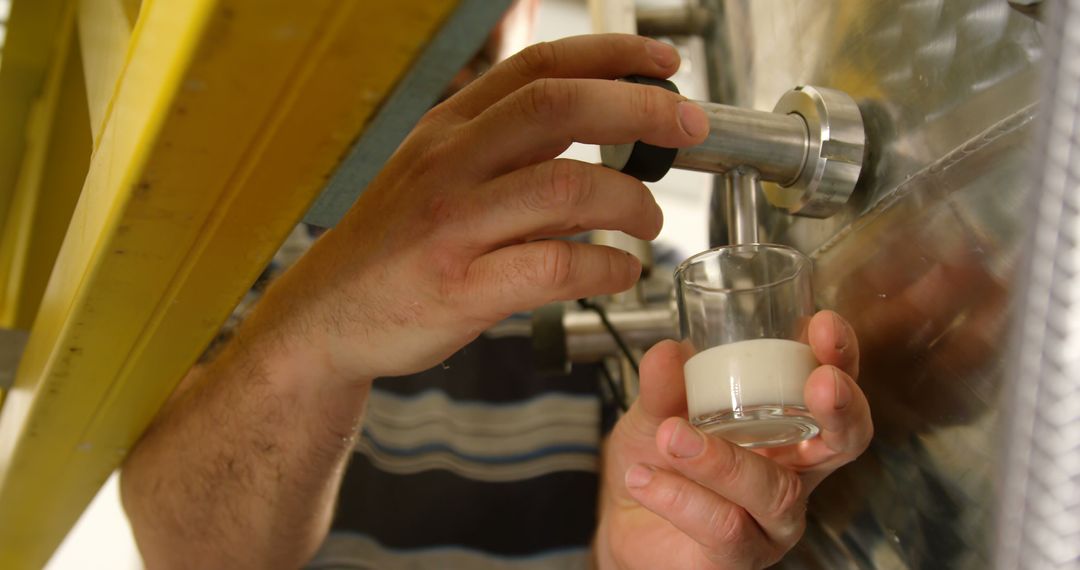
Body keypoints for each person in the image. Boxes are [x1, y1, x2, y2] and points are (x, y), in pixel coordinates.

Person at [119, 34, 873, 569]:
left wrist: (627, 557)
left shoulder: (633, 276)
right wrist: (318, 326)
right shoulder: (236, 263)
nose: (456, 31)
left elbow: (656, 522)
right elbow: (186, 548)